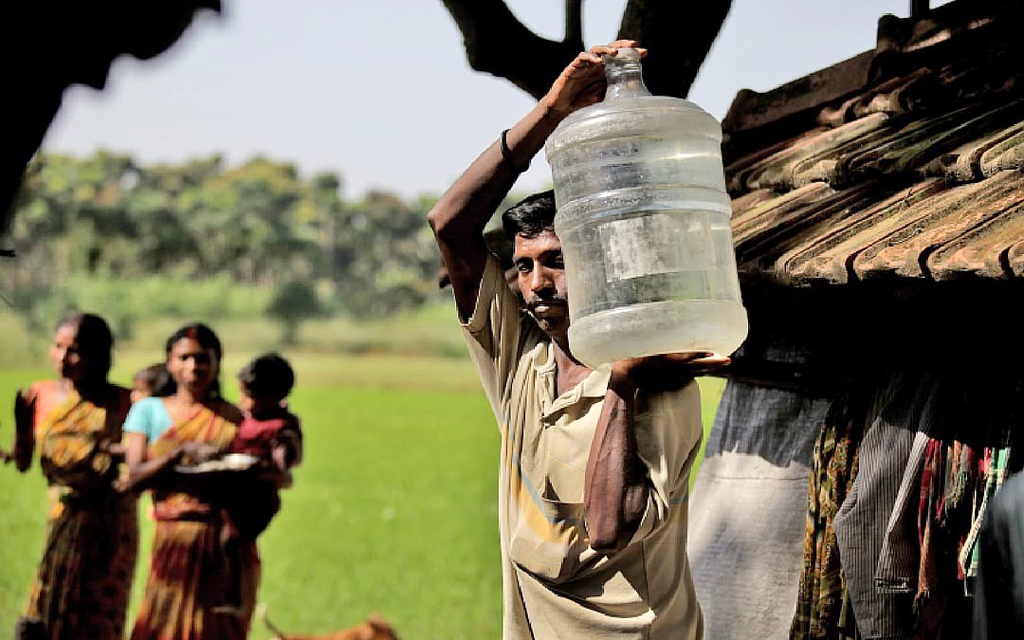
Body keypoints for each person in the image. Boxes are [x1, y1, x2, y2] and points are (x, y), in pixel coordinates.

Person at [427, 41, 727, 639]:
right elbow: (450, 224)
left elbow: (609, 527)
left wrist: (621, 384)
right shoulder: (521, 357)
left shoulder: (658, 379)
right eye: (525, 265)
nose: (537, 284)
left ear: (598, 255)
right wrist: (553, 111)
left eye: (558, 261)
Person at [119, 323, 255, 640]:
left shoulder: (232, 417)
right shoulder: (147, 411)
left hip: (219, 541)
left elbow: (246, 476)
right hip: (171, 537)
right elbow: (135, 474)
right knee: (161, 623)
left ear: (217, 362)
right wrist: (178, 453)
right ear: (170, 361)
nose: (194, 366)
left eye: (203, 358)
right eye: (185, 358)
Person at [8, 312, 136, 640]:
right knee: (47, 613)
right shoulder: (40, 396)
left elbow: (139, 458)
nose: (63, 358)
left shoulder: (124, 402)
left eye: (75, 350)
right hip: (62, 518)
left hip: (109, 526)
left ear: (99, 356)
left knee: (99, 617)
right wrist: (22, 430)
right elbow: (24, 462)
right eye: (58, 346)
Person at [215, 352, 303, 614]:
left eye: (249, 396)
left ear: (271, 397)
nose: (242, 402)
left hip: (258, 498)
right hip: (238, 493)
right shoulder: (248, 419)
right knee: (227, 541)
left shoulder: (280, 426)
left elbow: (286, 458)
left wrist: (270, 463)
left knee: (231, 541)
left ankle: (233, 597)